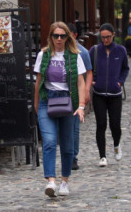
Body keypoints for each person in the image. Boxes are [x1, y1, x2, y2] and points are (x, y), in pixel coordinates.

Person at [34, 22, 86, 198]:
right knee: (48, 141)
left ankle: (65, 181)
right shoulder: (44, 55)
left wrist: (81, 106)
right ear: (50, 37)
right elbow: (38, 81)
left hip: (68, 101)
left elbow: (81, 82)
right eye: (55, 35)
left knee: (67, 144)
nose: (59, 39)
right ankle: (51, 181)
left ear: (67, 38)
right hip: (47, 100)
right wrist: (36, 106)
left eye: (62, 36)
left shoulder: (74, 56)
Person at [89, 23, 129, 167]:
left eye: (108, 37)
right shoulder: (94, 50)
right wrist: (93, 80)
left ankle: (116, 144)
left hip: (115, 93)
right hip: (99, 93)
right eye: (103, 37)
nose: (105, 40)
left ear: (113, 35)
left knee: (115, 124)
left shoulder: (120, 50)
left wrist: (120, 82)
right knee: (101, 124)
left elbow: (125, 69)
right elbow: (89, 69)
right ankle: (102, 156)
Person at [66, 23, 92, 171]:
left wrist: (86, 91)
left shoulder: (82, 52)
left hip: (76, 93)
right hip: (62, 94)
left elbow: (89, 72)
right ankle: (67, 154)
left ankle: (73, 156)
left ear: (74, 35)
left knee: (74, 127)